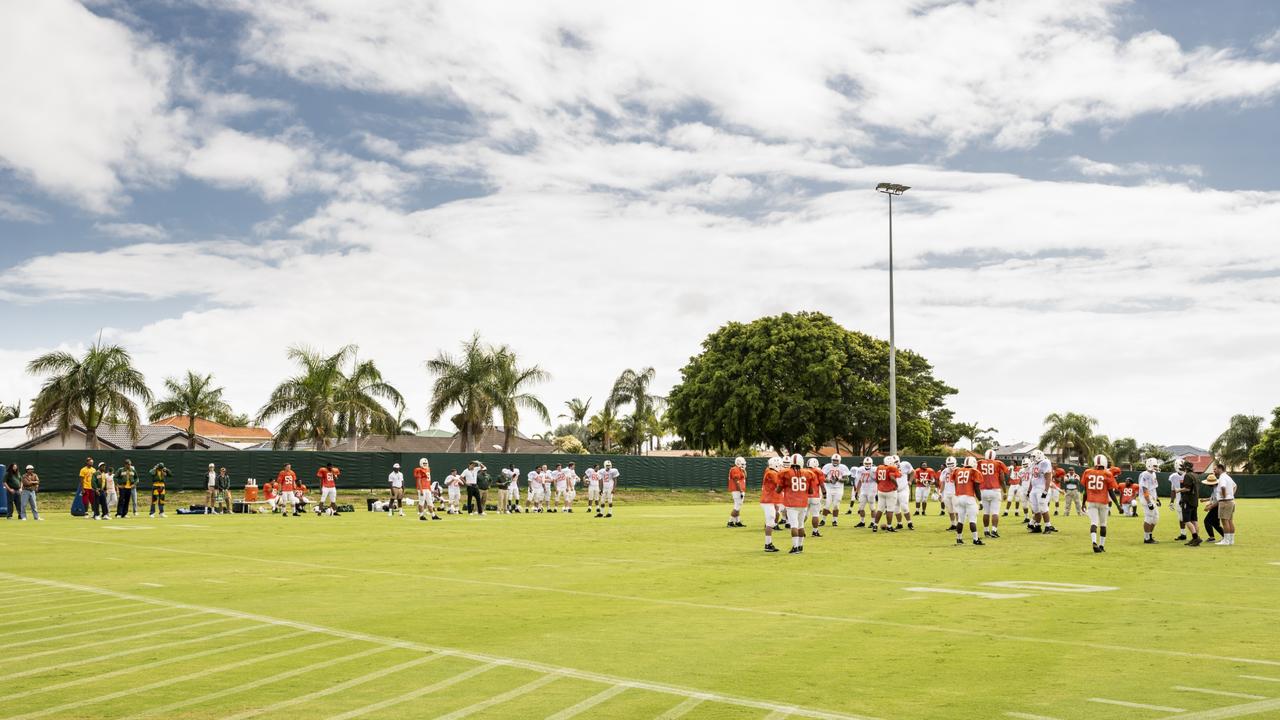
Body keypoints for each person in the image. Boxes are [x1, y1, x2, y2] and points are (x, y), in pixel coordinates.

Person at [1083, 454, 1121, 553]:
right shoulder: (1107, 474)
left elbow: (1085, 491)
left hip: (1091, 501)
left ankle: (1094, 541)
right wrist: (1117, 505)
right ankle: (1102, 545)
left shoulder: (1087, 472)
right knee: (1103, 524)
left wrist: (1083, 503)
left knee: (1094, 523)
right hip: (1103, 502)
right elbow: (1111, 492)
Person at [775, 454, 812, 554]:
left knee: (794, 525)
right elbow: (811, 491)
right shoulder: (808, 473)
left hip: (791, 503)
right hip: (803, 502)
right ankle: (800, 546)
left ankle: (795, 547)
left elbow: (778, 490)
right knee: (801, 525)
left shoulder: (785, 472)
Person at [951, 457, 984, 546]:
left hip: (958, 497)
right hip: (969, 497)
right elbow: (977, 489)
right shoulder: (974, 471)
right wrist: (980, 501)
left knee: (961, 520)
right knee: (972, 520)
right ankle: (975, 539)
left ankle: (959, 539)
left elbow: (955, 483)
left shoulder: (957, 470)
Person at [977, 450, 1007, 538]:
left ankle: (986, 531)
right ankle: (994, 530)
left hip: (983, 490)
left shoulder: (980, 463)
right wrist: (1005, 491)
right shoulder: (998, 463)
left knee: (986, 513)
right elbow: (1002, 479)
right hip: (995, 490)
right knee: (995, 513)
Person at [1027, 449, 1056, 533]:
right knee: (1035, 509)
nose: (1032, 458)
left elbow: (1048, 478)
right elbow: (1032, 478)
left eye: (1034, 457)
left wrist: (1045, 491)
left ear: (1039, 456)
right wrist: (1029, 490)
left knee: (1043, 508)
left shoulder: (1045, 462)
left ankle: (1048, 526)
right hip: (1034, 488)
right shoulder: (1034, 464)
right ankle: (1038, 526)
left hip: (1042, 488)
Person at [871, 456, 902, 533]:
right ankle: (889, 526)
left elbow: (877, 479)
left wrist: (880, 485)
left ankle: (875, 525)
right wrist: (896, 486)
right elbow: (892, 477)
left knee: (880, 509)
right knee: (890, 510)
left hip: (881, 491)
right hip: (890, 491)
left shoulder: (879, 467)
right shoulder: (892, 468)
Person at [1209, 461, 1237, 545]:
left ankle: (1226, 541)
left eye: (1215, 469)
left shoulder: (1222, 477)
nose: (1214, 471)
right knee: (1230, 521)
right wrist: (1231, 495)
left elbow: (1223, 487)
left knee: (1224, 522)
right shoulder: (1227, 477)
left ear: (1220, 468)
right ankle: (1231, 540)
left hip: (1225, 502)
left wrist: (1224, 496)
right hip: (1231, 501)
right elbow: (1235, 486)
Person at [760, 457, 783, 552]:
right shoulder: (772, 473)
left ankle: (768, 543)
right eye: (780, 465)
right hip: (767, 501)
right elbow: (779, 485)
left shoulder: (771, 472)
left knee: (771, 522)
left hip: (770, 500)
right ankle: (767, 544)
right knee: (770, 523)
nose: (781, 467)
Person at [820, 453, 849, 527]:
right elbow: (822, 478)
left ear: (839, 460)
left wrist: (839, 479)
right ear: (831, 460)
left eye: (836, 460)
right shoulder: (827, 466)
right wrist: (829, 480)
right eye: (834, 460)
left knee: (836, 505)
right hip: (828, 488)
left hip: (838, 489)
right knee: (827, 504)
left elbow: (846, 480)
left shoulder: (843, 467)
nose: (835, 461)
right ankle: (823, 520)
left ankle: (835, 520)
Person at [1138, 458, 1161, 544]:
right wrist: (1149, 502)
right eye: (1154, 465)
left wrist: (1157, 498)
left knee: (1155, 517)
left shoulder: (1153, 474)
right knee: (1149, 517)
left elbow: (1153, 488)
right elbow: (1145, 489)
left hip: (1151, 497)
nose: (1156, 467)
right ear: (1149, 465)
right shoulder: (1145, 474)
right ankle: (1146, 538)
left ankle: (1149, 535)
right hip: (1146, 498)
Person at [1179, 465, 1203, 547]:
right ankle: (1196, 538)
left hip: (1188, 501)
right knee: (1194, 520)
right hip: (1195, 500)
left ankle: (1195, 538)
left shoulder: (1187, 475)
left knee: (1187, 520)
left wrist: (1178, 490)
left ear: (1185, 468)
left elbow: (1187, 488)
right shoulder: (1195, 475)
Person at [851, 457, 876, 527]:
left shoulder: (875, 470)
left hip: (872, 491)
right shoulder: (860, 469)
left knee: (872, 507)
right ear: (864, 463)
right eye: (866, 463)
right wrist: (856, 491)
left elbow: (878, 480)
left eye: (869, 463)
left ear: (871, 463)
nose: (867, 465)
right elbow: (859, 481)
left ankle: (873, 522)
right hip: (863, 491)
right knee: (861, 508)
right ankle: (862, 522)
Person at [804, 458, 825, 537]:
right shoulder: (819, 471)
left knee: (804, 514)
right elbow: (822, 484)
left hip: (805, 495)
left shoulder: (803, 471)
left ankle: (801, 529)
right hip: (815, 495)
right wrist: (824, 493)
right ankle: (815, 531)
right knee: (815, 514)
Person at [894, 456, 915, 530]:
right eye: (894, 462)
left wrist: (910, 481)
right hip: (894, 491)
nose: (896, 463)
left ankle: (909, 523)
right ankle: (899, 524)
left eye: (897, 461)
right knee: (896, 508)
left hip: (903, 489)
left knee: (904, 506)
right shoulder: (889, 468)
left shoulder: (905, 464)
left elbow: (912, 472)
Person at [1168, 460, 1187, 541]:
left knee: (1189, 518)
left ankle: (1195, 535)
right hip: (1178, 498)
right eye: (1181, 466)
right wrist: (1171, 501)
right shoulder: (1173, 476)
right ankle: (1183, 534)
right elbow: (1173, 489)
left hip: (1187, 498)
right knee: (1181, 518)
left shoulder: (1188, 475)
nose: (1182, 468)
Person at [727, 456, 747, 528]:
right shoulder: (735, 469)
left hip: (739, 489)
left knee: (738, 506)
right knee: (737, 506)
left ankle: (737, 521)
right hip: (737, 490)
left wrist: (744, 470)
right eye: (742, 464)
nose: (744, 465)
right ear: (738, 463)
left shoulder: (740, 469)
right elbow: (736, 481)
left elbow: (745, 477)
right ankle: (730, 522)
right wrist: (740, 490)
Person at [939, 456, 958, 531]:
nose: (950, 465)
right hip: (947, 493)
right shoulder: (944, 471)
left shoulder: (958, 470)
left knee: (957, 511)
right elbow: (943, 483)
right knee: (950, 510)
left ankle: (959, 525)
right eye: (949, 463)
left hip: (955, 493)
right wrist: (940, 493)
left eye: (951, 463)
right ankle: (953, 524)